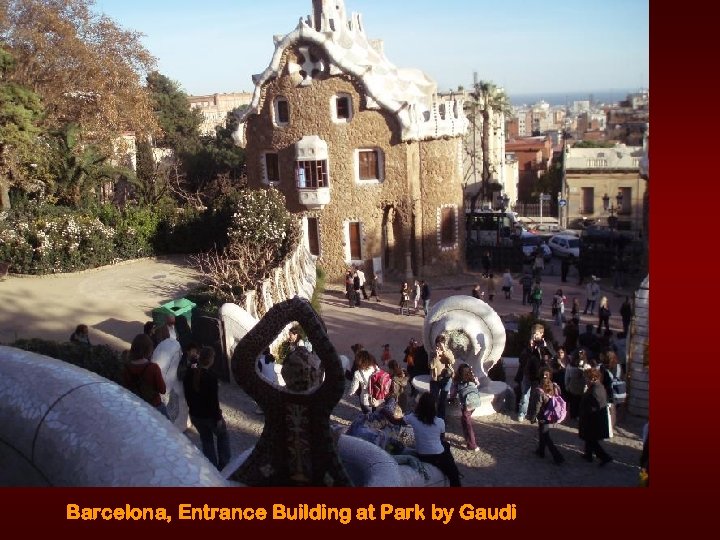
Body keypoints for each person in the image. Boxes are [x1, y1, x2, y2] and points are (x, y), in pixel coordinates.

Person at [183, 346, 231, 471]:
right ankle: (225, 465)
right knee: (223, 435)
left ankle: (212, 468)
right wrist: (218, 418)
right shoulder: (211, 377)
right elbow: (213, 401)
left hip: (195, 415)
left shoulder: (190, 373)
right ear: (210, 360)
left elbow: (192, 368)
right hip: (209, 416)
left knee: (206, 440)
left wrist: (194, 361)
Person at [403, 392, 461, 486]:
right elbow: (441, 439)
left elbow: (395, 421)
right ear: (434, 407)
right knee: (453, 473)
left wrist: (385, 412)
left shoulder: (412, 418)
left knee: (446, 445)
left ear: (420, 405)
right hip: (435, 455)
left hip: (421, 453)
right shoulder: (440, 422)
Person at [122, 333, 169, 419]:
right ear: (148, 349)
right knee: (169, 429)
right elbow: (162, 390)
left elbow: (126, 387)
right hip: (154, 405)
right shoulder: (153, 368)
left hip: (136, 406)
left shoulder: (127, 367)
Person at [516, 324, 555, 422]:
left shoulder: (547, 344)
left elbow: (553, 355)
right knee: (525, 395)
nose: (534, 336)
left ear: (542, 334)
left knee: (536, 396)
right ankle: (522, 413)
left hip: (539, 376)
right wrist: (530, 348)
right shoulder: (528, 344)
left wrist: (544, 347)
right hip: (528, 374)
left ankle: (534, 414)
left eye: (536, 334)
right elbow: (521, 359)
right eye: (533, 334)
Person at [527, 368, 565, 464]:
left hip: (543, 415)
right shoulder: (554, 386)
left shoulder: (539, 390)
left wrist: (533, 417)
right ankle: (541, 451)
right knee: (542, 433)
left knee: (545, 436)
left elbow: (537, 406)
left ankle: (558, 457)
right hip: (550, 414)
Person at [578, 367, 613, 466]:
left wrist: (584, 412)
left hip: (593, 420)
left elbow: (594, 407)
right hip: (592, 419)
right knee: (589, 438)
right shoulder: (596, 387)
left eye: (587, 378)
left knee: (592, 440)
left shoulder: (596, 390)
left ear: (592, 378)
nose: (585, 380)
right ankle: (588, 455)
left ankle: (605, 457)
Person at [452, 364, 481, 452]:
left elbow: (453, 393)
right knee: (464, 421)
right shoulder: (472, 379)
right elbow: (477, 385)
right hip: (475, 402)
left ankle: (472, 445)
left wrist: (451, 398)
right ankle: (468, 440)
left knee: (467, 424)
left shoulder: (457, 382)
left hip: (467, 404)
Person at [429, 334, 455, 420]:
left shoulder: (448, 352)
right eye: (438, 344)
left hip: (446, 379)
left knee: (443, 400)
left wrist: (444, 351)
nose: (439, 346)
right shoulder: (432, 353)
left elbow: (452, 361)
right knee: (434, 399)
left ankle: (441, 418)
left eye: (441, 344)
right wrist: (436, 357)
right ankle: (433, 417)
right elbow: (431, 366)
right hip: (435, 380)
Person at [348, 349, 380, 414]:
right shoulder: (375, 367)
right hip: (375, 396)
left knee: (367, 415)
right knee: (373, 412)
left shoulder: (357, 373)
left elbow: (354, 387)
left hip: (365, 398)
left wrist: (350, 393)